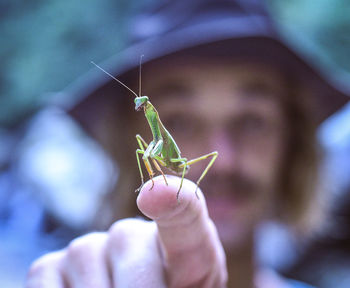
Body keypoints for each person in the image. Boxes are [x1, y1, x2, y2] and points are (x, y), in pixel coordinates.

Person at [25, 1, 349, 287]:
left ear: (293, 143)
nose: (224, 161)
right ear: (118, 143)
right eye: (180, 121)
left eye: (251, 122)